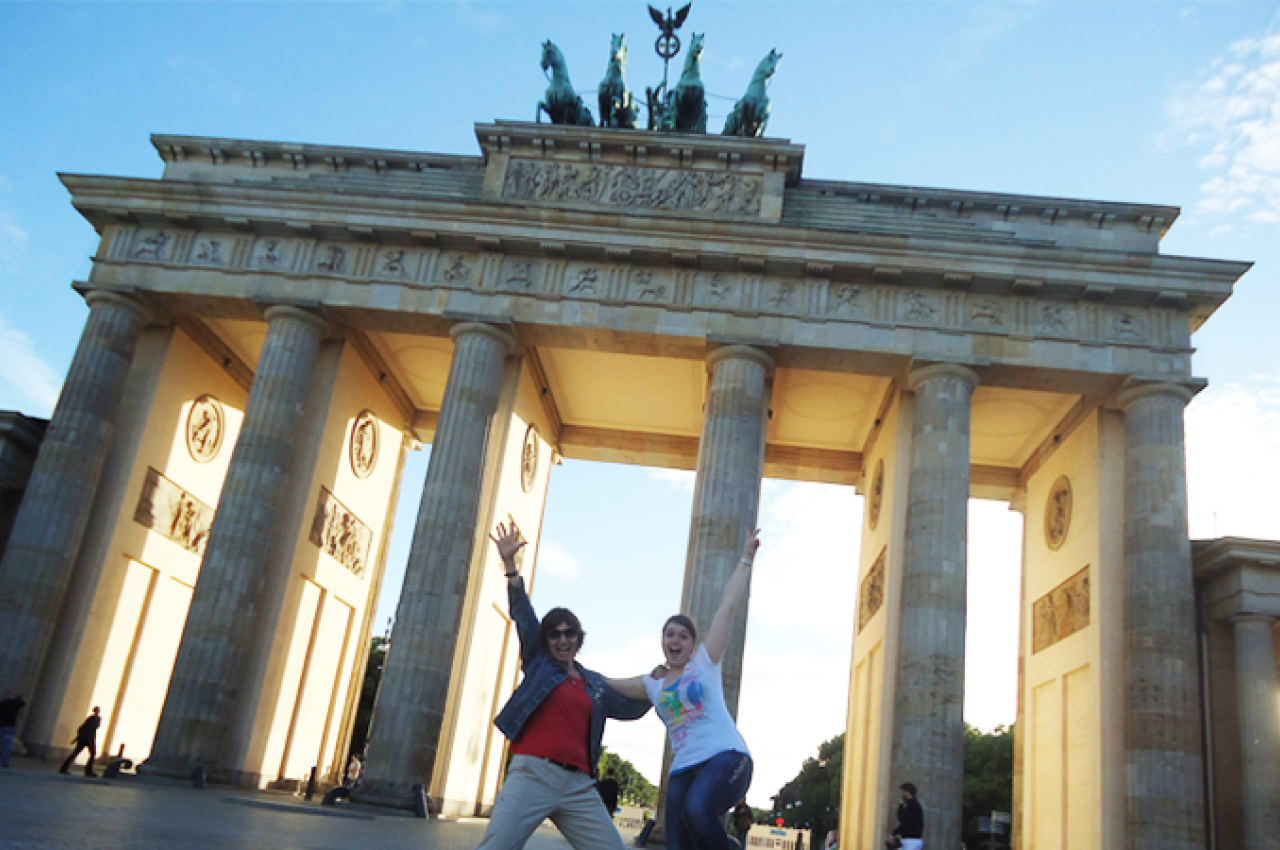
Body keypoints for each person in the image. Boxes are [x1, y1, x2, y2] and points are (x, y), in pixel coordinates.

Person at [477, 518, 652, 850]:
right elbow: (525, 618)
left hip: (578, 786)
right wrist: (511, 568)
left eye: (569, 632)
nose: (562, 639)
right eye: (554, 634)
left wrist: (663, 685)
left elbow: (630, 705)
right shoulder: (539, 664)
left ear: (579, 639)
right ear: (546, 641)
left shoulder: (594, 684)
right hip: (533, 775)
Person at [608, 531, 761, 850]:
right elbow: (605, 683)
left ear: (693, 645)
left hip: (727, 757)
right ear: (662, 642)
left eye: (682, 636)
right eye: (669, 635)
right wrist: (565, 663)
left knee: (696, 810)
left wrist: (746, 557)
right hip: (683, 769)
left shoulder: (705, 664)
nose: (675, 641)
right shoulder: (650, 683)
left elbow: (728, 606)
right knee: (677, 846)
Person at [59, 706, 101, 777]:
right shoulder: (93, 719)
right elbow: (87, 727)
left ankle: (64, 768)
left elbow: (83, 728)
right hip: (88, 738)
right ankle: (88, 771)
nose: (98, 712)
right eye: (97, 710)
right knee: (86, 754)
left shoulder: (94, 719)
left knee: (80, 753)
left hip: (87, 738)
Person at [890, 783, 924, 850]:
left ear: (907, 792)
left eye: (902, 792)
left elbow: (905, 822)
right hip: (911, 840)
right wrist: (901, 806)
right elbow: (902, 819)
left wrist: (894, 834)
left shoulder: (912, 805)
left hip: (911, 841)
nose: (901, 794)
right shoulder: (912, 804)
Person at [0, 692, 26, 768]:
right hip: (10, 725)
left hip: (1, 724)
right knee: (7, 745)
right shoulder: (18, 703)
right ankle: (4, 762)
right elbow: (23, 707)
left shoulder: (3, 702)